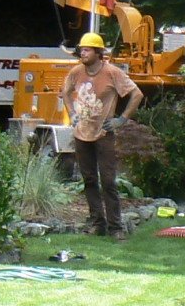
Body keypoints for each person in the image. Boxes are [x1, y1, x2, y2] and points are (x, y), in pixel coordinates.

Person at [62, 31, 144, 238]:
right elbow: (65, 92)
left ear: (99, 53)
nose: (83, 52)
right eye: (81, 49)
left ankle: (116, 227)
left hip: (103, 135)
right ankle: (97, 223)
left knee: (108, 181)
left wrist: (121, 119)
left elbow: (137, 94)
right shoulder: (75, 72)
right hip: (82, 135)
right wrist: (72, 113)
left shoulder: (112, 72)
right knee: (89, 180)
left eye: (87, 49)